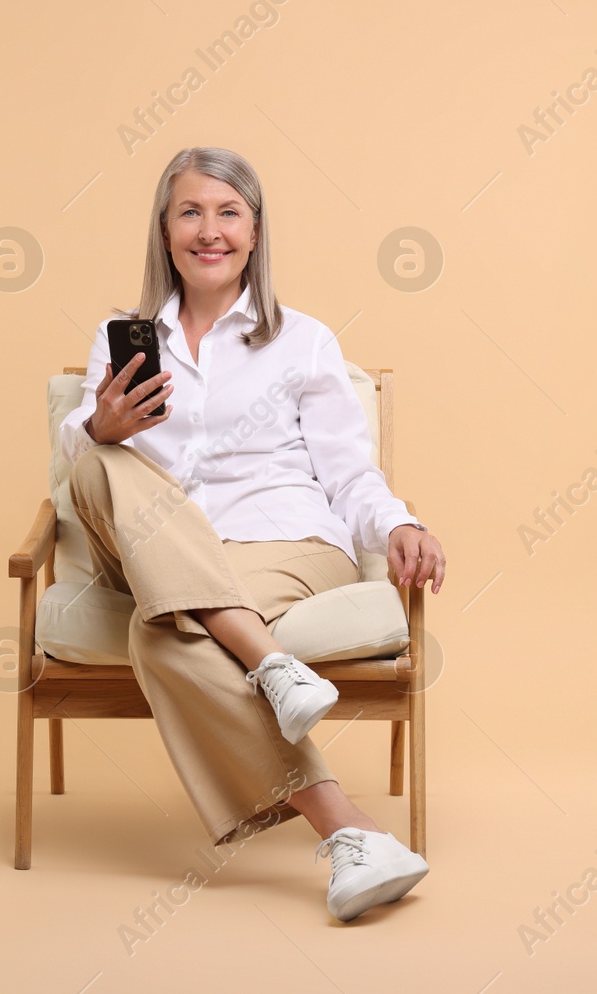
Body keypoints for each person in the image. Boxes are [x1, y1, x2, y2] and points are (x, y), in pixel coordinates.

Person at [58, 146, 445, 922]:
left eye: (227, 211)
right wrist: (99, 426)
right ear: (164, 232)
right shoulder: (124, 338)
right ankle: (274, 667)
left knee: (160, 637)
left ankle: (348, 833)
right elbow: (90, 478)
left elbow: (347, 474)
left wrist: (397, 518)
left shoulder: (302, 340)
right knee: (91, 455)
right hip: (159, 541)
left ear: (255, 230)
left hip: (287, 544)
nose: (210, 230)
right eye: (190, 212)